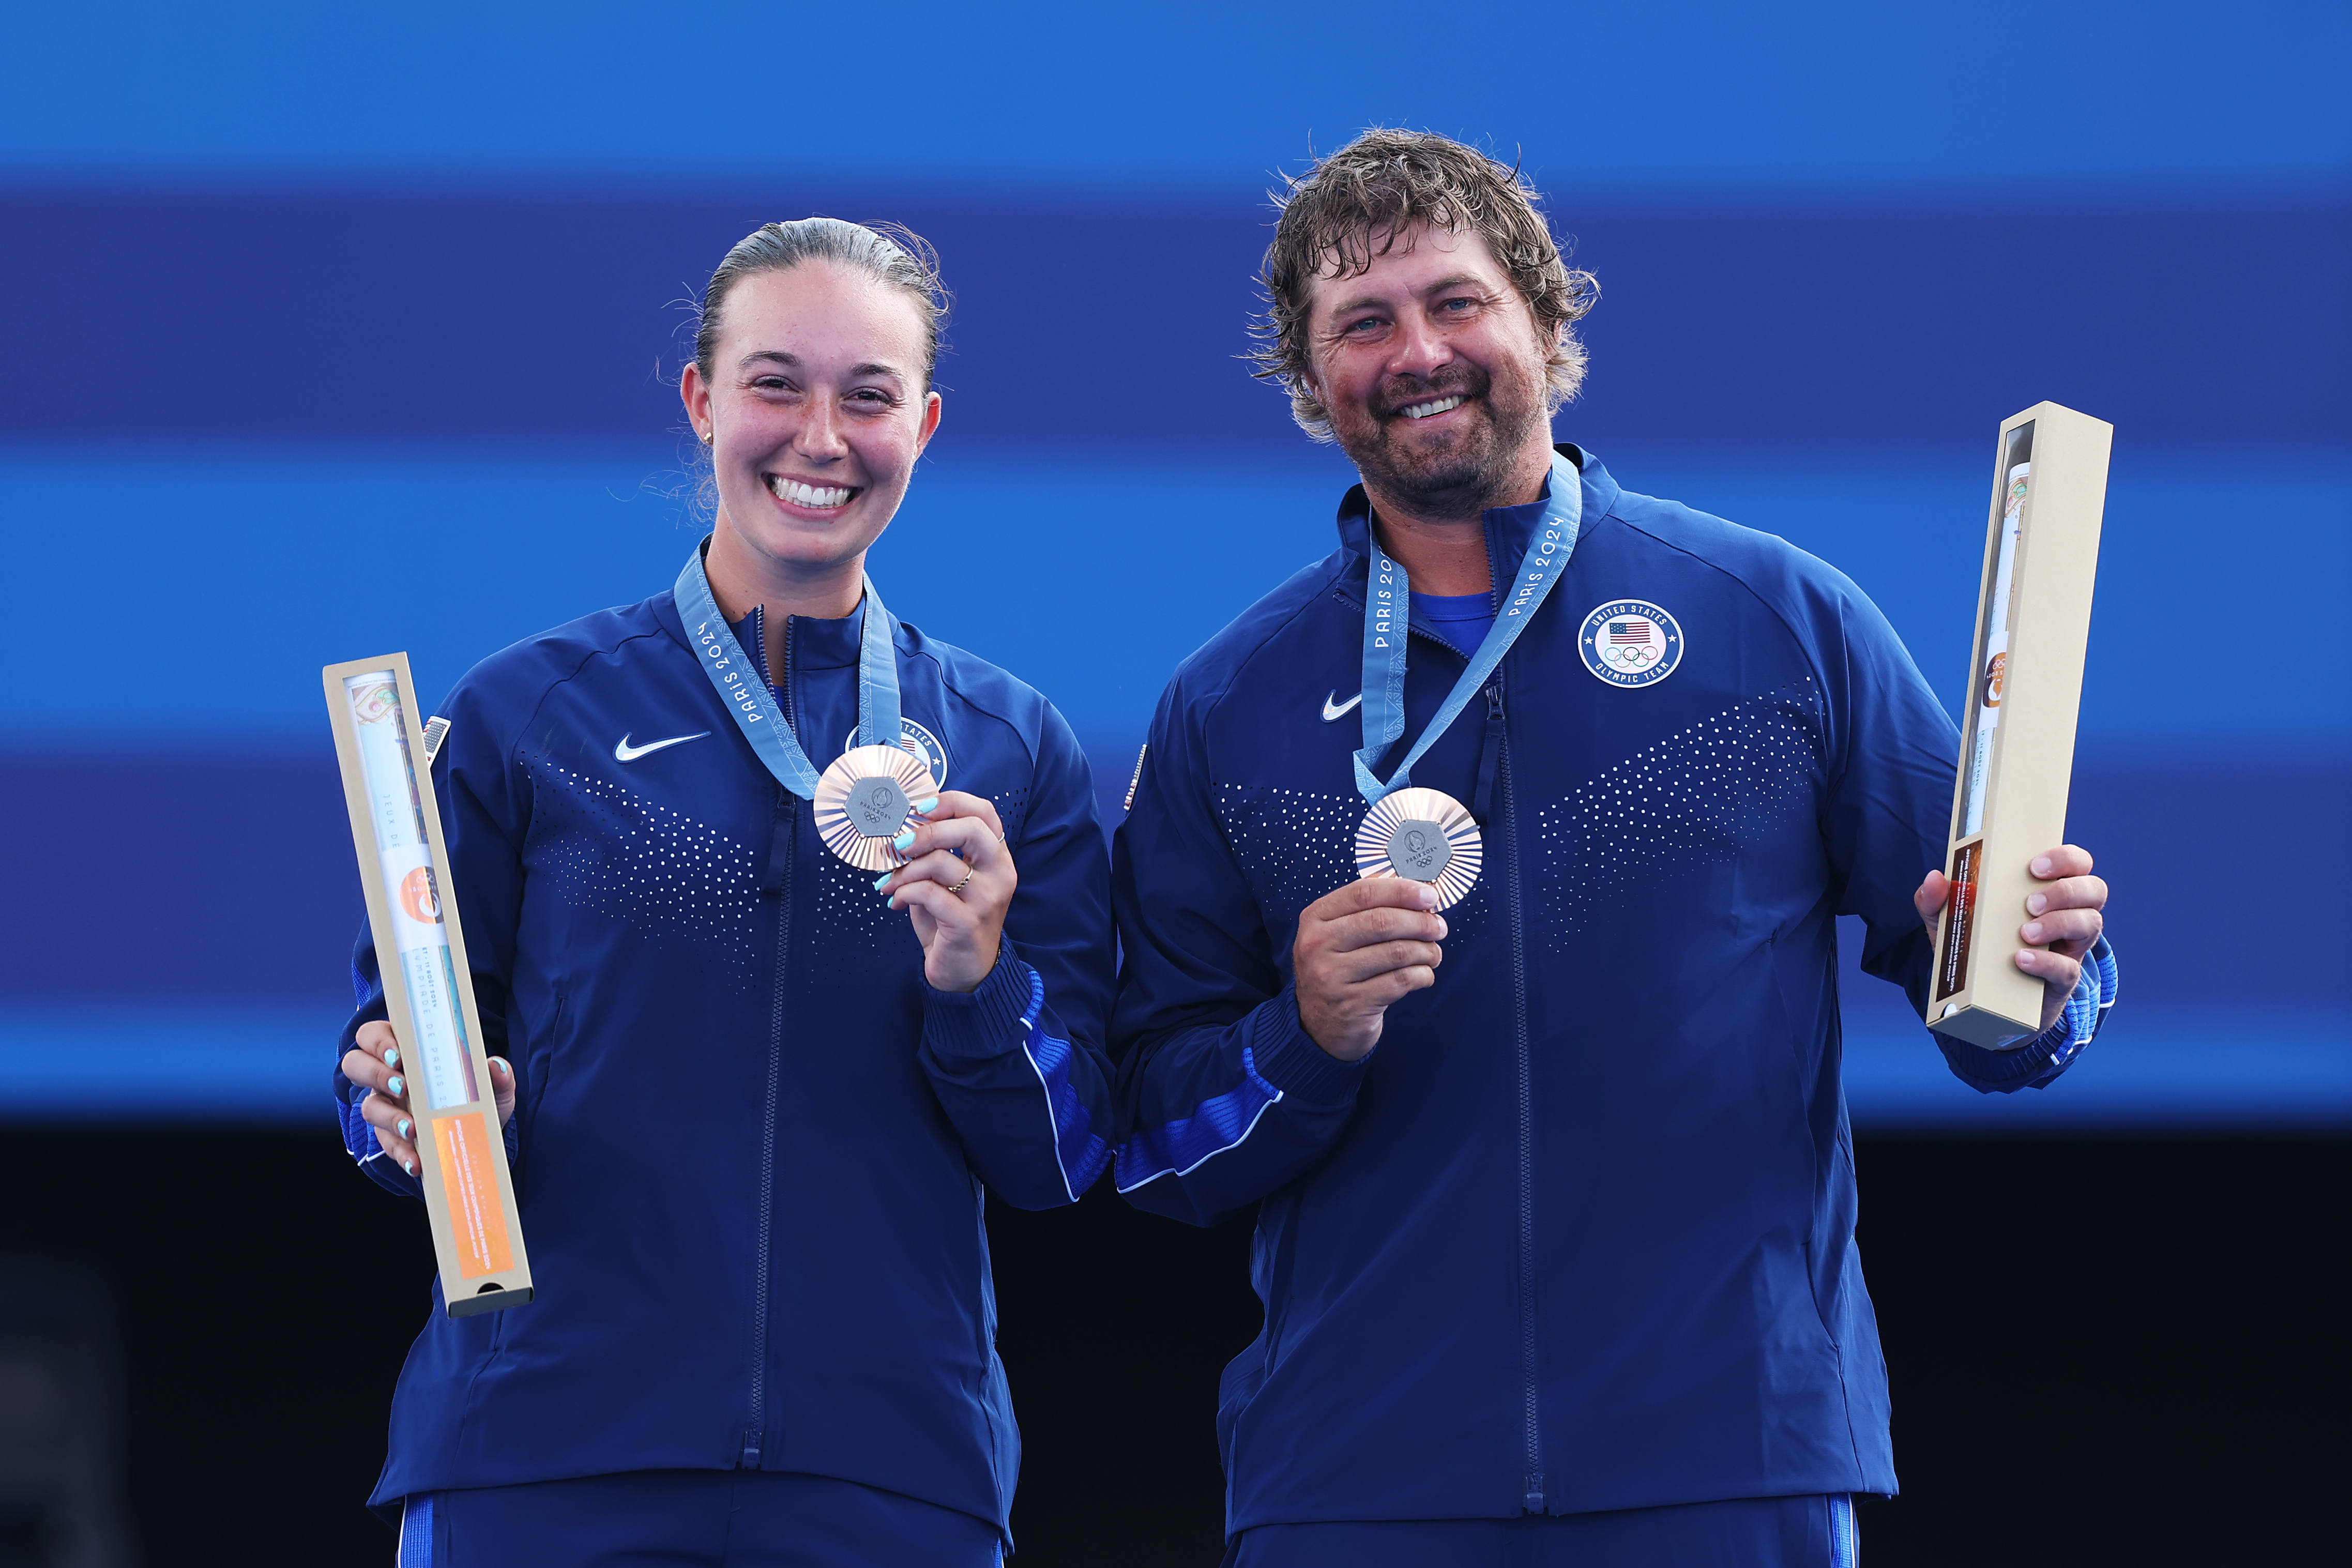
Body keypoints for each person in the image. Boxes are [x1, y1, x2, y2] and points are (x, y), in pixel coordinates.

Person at [1110, 130, 2117, 1566]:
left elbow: (1999, 1012)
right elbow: (1148, 1134)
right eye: (1365, 323)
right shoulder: (1229, 703)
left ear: (1543, 318)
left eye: (1456, 302)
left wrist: (2043, 969)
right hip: (1360, 1476)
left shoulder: (1780, 621)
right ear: (1310, 377)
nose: (1418, 351)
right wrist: (1303, 1035)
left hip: (1726, 1453)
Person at [334, 218, 1113, 1566]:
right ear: (703, 401)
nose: (821, 435)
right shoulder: (531, 715)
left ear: (923, 423)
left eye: (868, 395)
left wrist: (981, 982)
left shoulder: (1008, 744)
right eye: (775, 383)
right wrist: (413, 1106)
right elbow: (387, 1060)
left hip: (887, 1480)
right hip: (549, 1459)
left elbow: (1060, 1155)